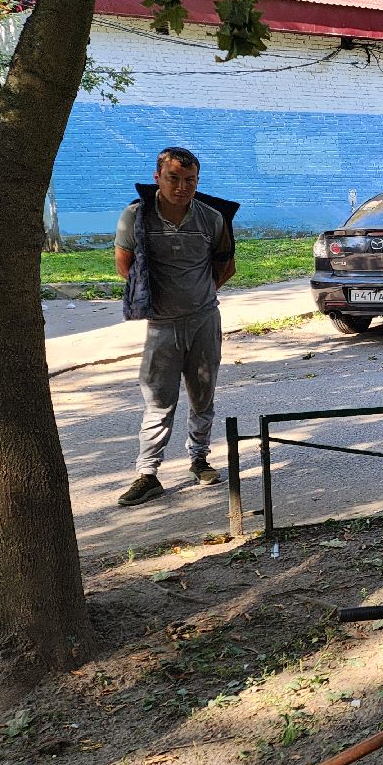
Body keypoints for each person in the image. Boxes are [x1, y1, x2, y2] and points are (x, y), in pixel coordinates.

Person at [114, 147, 238, 507]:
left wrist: (198, 296)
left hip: (203, 320)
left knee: (203, 396)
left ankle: (199, 461)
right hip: (161, 326)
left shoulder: (211, 218)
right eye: (174, 178)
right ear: (158, 178)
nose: (182, 187)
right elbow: (125, 266)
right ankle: (147, 474)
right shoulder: (136, 217)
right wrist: (158, 299)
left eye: (190, 180)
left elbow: (225, 266)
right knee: (158, 401)